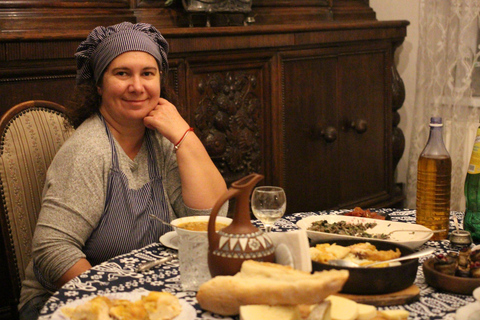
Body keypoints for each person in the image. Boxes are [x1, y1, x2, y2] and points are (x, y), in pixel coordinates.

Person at [18, 21, 227, 319]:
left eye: (148, 74)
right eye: (122, 73)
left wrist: (184, 135)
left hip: (147, 287)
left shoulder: (162, 138)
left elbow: (209, 223)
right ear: (100, 85)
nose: (137, 86)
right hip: (69, 301)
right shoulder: (89, 150)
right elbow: (53, 249)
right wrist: (121, 303)